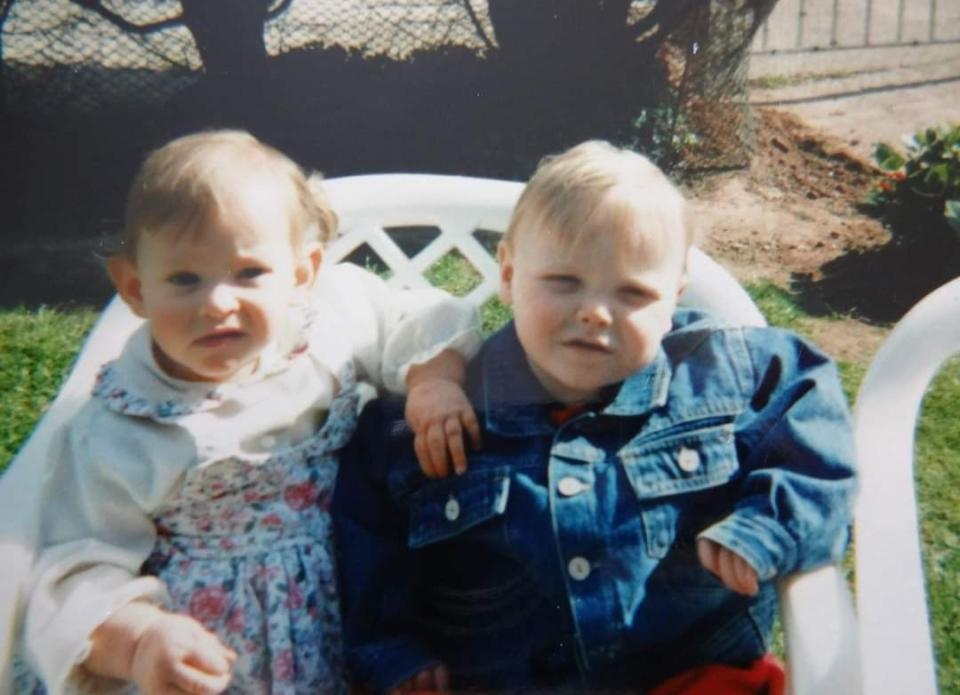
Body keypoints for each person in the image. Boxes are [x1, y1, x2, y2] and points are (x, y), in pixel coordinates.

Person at [333, 140, 858, 694]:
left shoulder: (725, 374)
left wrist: (768, 525)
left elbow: (813, 427)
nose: (595, 311)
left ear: (673, 297)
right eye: (563, 282)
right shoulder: (439, 415)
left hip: (689, 675)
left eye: (633, 292)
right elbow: (367, 544)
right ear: (508, 276)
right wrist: (393, 651)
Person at [13, 130, 483, 695]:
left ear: (302, 273)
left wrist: (432, 381)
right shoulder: (119, 429)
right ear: (135, 287)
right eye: (185, 279)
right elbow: (77, 567)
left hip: (349, 623)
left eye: (249, 274)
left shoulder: (327, 322)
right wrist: (140, 642)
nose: (217, 303)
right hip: (205, 663)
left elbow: (417, 316)